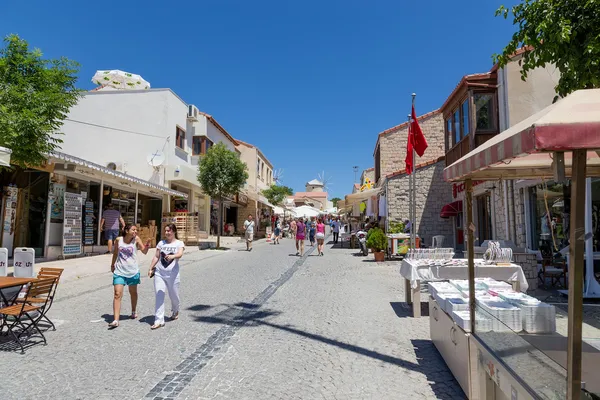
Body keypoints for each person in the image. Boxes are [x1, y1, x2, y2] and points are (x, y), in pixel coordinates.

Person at [108, 224, 151, 329]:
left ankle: (133, 311)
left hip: (132, 271)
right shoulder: (119, 240)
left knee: (133, 293)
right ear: (126, 230)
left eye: (136, 230)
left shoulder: (136, 239)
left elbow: (144, 251)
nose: (135, 231)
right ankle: (116, 320)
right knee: (117, 294)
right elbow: (115, 253)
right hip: (119, 270)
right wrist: (112, 264)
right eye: (133, 229)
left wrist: (147, 245)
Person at [148, 223, 185, 330]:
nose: (166, 233)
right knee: (159, 294)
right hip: (160, 273)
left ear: (174, 232)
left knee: (174, 296)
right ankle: (159, 320)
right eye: (165, 231)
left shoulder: (179, 243)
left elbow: (180, 254)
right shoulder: (161, 243)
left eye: (169, 231)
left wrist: (173, 256)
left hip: (173, 274)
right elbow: (156, 256)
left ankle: (175, 309)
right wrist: (151, 268)